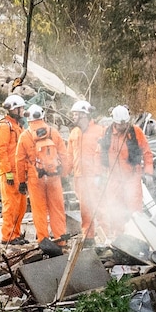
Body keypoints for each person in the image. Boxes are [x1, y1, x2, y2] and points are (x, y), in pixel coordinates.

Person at [94, 104, 150, 239]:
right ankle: (119, 238)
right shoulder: (106, 134)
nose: (122, 127)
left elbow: (147, 152)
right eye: (120, 125)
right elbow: (98, 154)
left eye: (125, 124)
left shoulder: (136, 132)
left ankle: (138, 236)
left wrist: (148, 172)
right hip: (113, 178)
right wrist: (98, 174)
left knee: (135, 208)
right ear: (114, 122)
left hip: (132, 177)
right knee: (115, 209)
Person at [19, 104, 69, 245]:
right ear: (43, 116)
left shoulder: (25, 135)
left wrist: (21, 181)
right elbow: (64, 155)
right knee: (57, 208)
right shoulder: (53, 132)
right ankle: (61, 239)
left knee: (39, 210)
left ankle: (43, 240)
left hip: (35, 178)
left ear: (29, 118)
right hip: (54, 176)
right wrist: (64, 174)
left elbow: (19, 160)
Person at [0, 93, 29, 244]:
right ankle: (8, 236)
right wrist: (7, 173)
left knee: (21, 205)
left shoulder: (16, 126)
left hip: (18, 173)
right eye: (21, 109)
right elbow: (1, 151)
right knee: (10, 206)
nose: (23, 111)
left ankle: (16, 234)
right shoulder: (4, 126)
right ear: (14, 109)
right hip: (9, 173)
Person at [65, 100, 100, 235]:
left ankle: (108, 235)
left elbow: (104, 155)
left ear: (84, 115)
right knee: (84, 208)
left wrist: (101, 175)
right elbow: (69, 156)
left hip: (94, 177)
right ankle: (88, 236)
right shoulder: (74, 133)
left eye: (75, 114)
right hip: (79, 177)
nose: (73, 117)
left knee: (99, 206)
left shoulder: (98, 131)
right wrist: (64, 173)